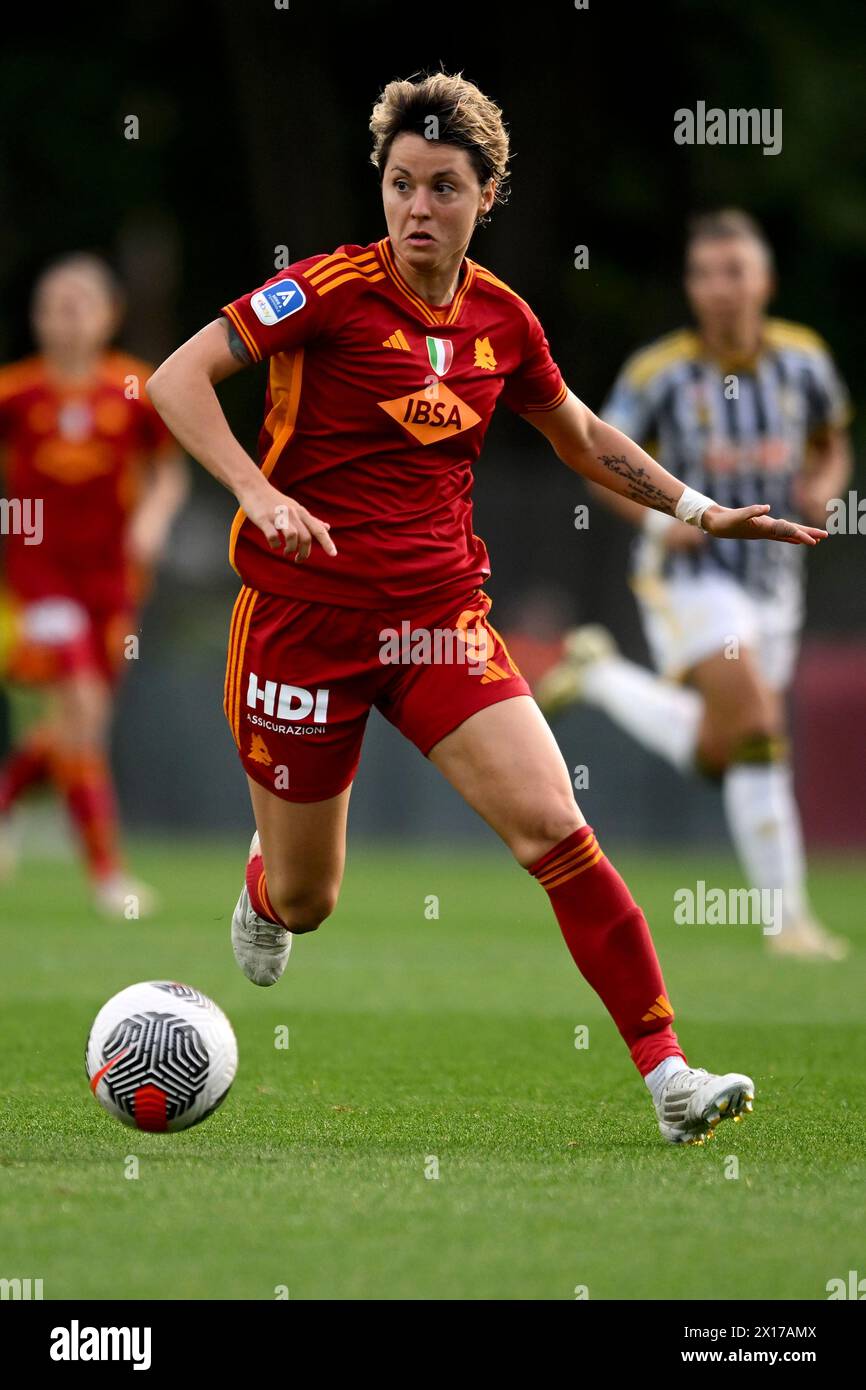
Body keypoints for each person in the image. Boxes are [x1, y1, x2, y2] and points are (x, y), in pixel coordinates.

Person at [146, 74, 825, 1145]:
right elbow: (176, 379)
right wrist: (256, 489)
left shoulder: (503, 319)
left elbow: (579, 436)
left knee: (555, 827)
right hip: (300, 625)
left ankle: (668, 1077)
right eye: (400, 184)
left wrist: (698, 509)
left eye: (444, 188)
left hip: (437, 623)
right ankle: (264, 889)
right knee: (308, 896)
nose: (417, 207)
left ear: (486, 194)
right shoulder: (322, 291)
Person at [537, 210, 852, 960]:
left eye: (734, 271)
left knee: (725, 748)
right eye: (705, 274)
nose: (720, 289)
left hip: (775, 582)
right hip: (689, 577)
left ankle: (604, 677)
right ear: (690, 286)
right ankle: (787, 922)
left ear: (765, 281)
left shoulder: (804, 360)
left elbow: (831, 439)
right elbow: (595, 456)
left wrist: (822, 484)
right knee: (755, 728)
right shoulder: (659, 374)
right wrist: (659, 521)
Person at [0, 254, 189, 915]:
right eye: (53, 303)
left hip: (113, 583)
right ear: (37, 316)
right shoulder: (15, 393)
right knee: (80, 710)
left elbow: (169, 472)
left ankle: (5, 802)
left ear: (110, 314)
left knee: (77, 724)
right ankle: (108, 876)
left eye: (81, 302)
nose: (66, 315)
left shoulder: (135, 388)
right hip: (40, 578)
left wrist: (152, 520)